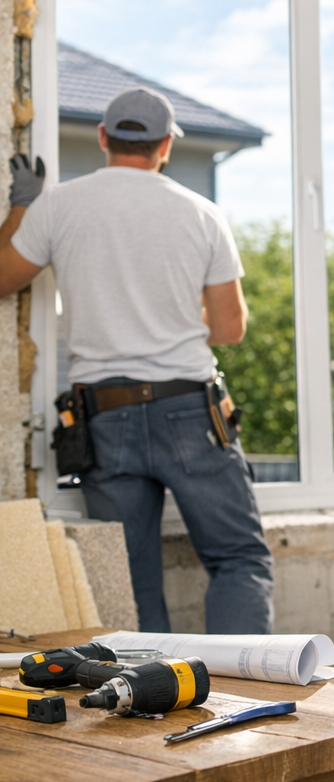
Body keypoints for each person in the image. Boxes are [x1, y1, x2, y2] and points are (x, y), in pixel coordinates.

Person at [0, 87, 274, 635]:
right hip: (188, 411)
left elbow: (3, 278)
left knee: (131, 580)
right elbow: (228, 328)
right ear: (166, 146)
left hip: (104, 415)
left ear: (103, 137)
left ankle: (150, 709)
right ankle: (245, 702)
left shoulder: (58, 205)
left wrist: (23, 204)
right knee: (238, 559)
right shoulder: (202, 214)